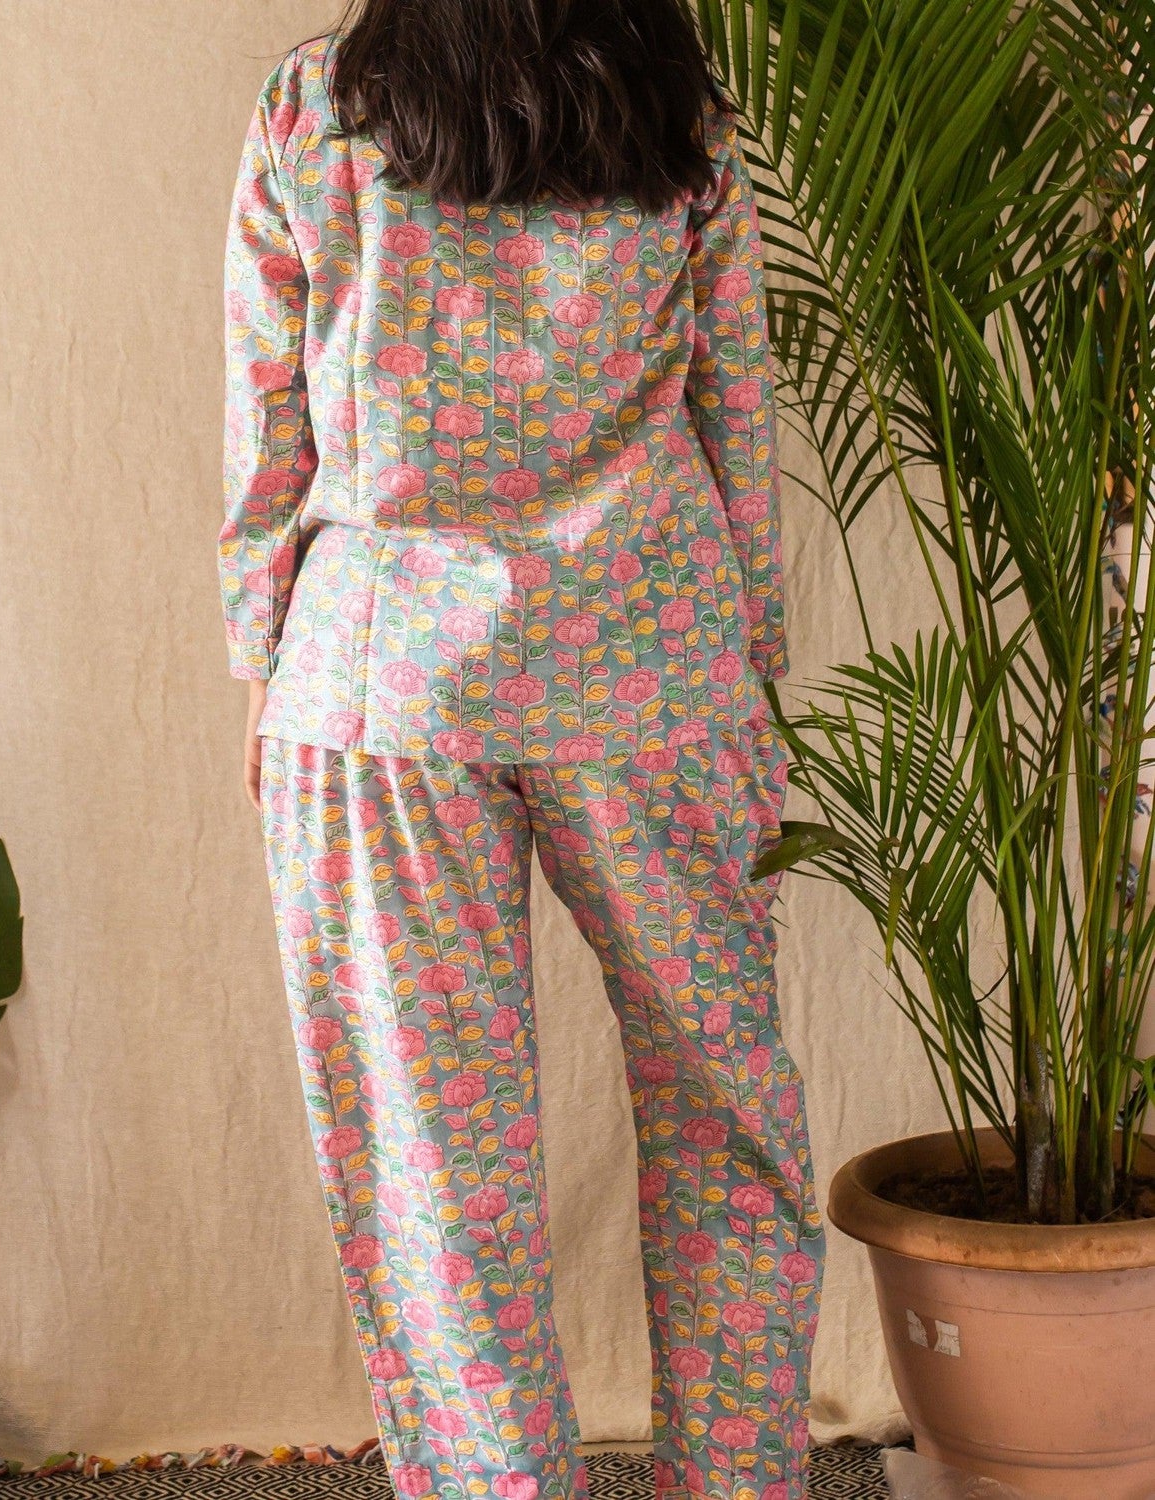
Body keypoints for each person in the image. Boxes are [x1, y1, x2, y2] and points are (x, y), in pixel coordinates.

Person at [216, 3, 825, 1496]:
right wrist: (754, 661)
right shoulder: (675, 106)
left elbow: (268, 410)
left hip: (388, 678)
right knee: (728, 1119)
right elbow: (736, 405)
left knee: (435, 1167)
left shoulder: (316, 107)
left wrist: (264, 654)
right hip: (654, 656)